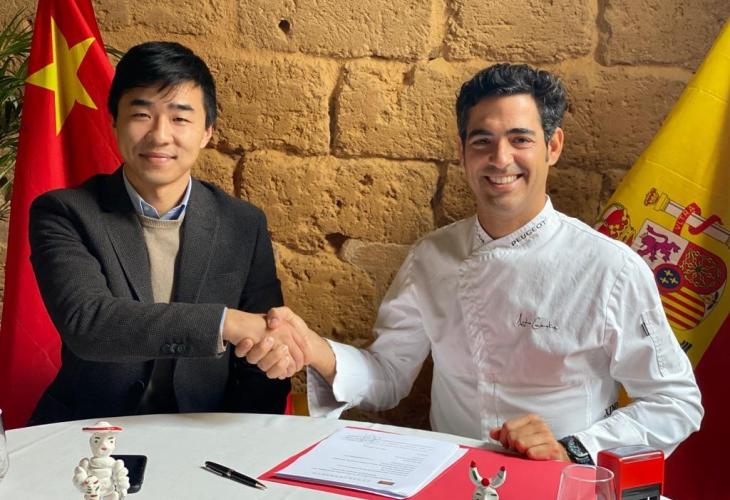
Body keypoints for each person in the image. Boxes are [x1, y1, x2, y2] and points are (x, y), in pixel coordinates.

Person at [247, 63, 703, 464]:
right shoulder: (431, 256)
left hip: (564, 481)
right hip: (452, 476)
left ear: (553, 146)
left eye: (520, 139)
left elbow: (675, 403)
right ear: (462, 152)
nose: (500, 159)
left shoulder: (609, 268)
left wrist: (575, 448)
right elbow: (388, 374)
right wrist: (315, 349)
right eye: (483, 141)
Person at [28, 41, 305, 425]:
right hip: (87, 433)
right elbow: (89, 324)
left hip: (202, 435)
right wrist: (224, 323)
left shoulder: (243, 223)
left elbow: (262, 359)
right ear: (114, 121)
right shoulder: (64, 212)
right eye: (141, 114)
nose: (160, 135)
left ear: (207, 131)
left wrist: (245, 442)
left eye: (179, 118)